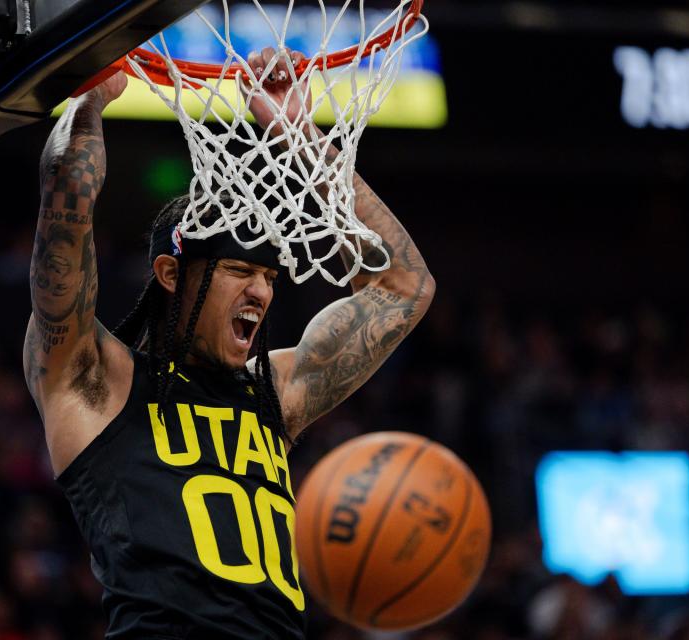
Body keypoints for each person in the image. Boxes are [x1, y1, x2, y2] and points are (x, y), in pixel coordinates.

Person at [23, 48, 435, 639]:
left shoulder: (274, 393)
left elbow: (404, 288)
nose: (261, 291)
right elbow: (67, 201)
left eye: (268, 277)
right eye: (240, 270)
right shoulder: (96, 381)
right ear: (171, 275)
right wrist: (90, 100)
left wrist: (296, 131)